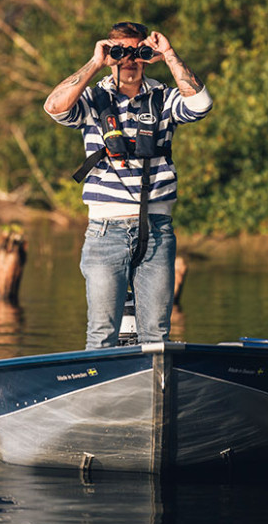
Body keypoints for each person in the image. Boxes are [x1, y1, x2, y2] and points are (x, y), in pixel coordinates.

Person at [43, 21, 213, 349]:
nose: (129, 61)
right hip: (106, 231)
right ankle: (102, 396)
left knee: (156, 337)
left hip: (157, 229)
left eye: (137, 53)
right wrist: (96, 62)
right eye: (121, 53)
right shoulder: (94, 99)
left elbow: (200, 105)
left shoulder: (163, 98)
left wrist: (169, 54)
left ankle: (152, 392)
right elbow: (54, 107)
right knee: (101, 334)